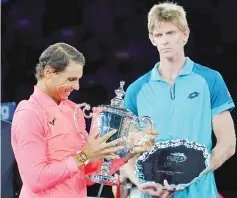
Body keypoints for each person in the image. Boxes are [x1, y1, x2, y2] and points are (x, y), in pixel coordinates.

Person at [11, 43, 158, 198]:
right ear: (49, 72)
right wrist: (85, 155)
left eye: (78, 79)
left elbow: (88, 175)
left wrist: (130, 151)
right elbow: (36, 180)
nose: (77, 87)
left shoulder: (74, 111)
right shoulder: (29, 113)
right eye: (71, 79)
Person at [122, 2, 236, 198]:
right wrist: (141, 183)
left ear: (185, 34)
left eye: (171, 33)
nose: (165, 40)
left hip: (201, 193)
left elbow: (227, 144)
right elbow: (125, 155)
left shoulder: (210, 80)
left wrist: (194, 172)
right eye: (159, 35)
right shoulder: (136, 90)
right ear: (151, 39)